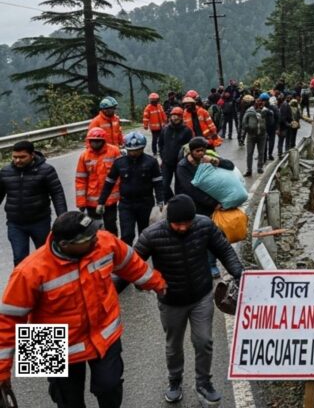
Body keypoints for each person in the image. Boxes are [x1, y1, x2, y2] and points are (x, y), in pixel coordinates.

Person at [0, 210, 166, 408]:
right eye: (89, 238)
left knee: (110, 388)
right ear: (65, 245)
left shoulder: (104, 242)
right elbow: (7, 320)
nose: (97, 239)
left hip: (103, 328)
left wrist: (159, 284)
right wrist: (2, 372)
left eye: (95, 233)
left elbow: (131, 264)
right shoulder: (27, 272)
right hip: (48, 339)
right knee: (67, 401)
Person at [133, 195, 243, 405]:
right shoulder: (152, 235)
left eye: (187, 223)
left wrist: (239, 274)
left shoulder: (204, 226)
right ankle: (175, 380)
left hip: (200, 296)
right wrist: (146, 282)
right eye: (177, 224)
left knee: (204, 341)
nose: (183, 228)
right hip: (171, 301)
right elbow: (132, 265)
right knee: (173, 345)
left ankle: (203, 382)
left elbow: (224, 249)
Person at [174, 137, 236, 278]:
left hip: (210, 207)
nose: (201, 153)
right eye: (198, 151)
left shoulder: (208, 158)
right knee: (193, 237)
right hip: (193, 206)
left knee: (211, 235)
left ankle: (211, 264)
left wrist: (215, 161)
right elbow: (191, 190)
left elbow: (230, 166)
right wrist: (213, 203)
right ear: (191, 151)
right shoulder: (183, 166)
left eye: (203, 150)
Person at [0, 141, 67, 265]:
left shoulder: (46, 170)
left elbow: (57, 194)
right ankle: (24, 284)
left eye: (22, 157)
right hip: (15, 224)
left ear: (32, 155)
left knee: (45, 257)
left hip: (40, 222)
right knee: (20, 259)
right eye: (15, 157)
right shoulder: (5, 172)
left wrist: (63, 218)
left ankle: (46, 283)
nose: (17, 160)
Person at [97, 132, 165, 246]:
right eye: (130, 150)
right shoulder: (119, 163)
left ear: (142, 148)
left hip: (145, 203)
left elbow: (158, 183)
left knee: (145, 234)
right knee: (127, 235)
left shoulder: (151, 162)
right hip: (126, 204)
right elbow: (109, 183)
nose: (133, 153)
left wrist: (160, 201)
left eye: (137, 150)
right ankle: (127, 258)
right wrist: (101, 202)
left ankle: (141, 259)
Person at [76, 128, 120, 235]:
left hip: (110, 199)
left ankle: (113, 245)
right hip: (92, 200)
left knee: (110, 225)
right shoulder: (84, 156)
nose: (95, 143)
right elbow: (80, 180)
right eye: (93, 141)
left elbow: (121, 174)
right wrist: (81, 202)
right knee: (94, 227)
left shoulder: (114, 151)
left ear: (103, 140)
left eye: (98, 141)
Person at [157, 107, 194, 198]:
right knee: (164, 186)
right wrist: (163, 157)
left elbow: (190, 147)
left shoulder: (187, 131)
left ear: (181, 117)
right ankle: (170, 201)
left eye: (177, 116)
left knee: (180, 188)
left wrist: (186, 160)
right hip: (166, 163)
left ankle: (178, 205)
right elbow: (160, 144)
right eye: (173, 116)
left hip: (180, 163)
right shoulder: (165, 129)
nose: (175, 118)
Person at [240, 96, 267, 177]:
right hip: (251, 135)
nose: (259, 104)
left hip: (262, 135)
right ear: (255, 103)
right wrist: (248, 128)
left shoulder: (265, 111)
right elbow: (244, 122)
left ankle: (260, 167)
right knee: (249, 153)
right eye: (258, 102)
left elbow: (270, 121)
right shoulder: (249, 111)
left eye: (261, 102)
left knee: (261, 152)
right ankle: (249, 170)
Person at [262, 93, 279, 163]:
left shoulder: (262, 108)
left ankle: (265, 156)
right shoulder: (274, 107)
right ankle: (270, 155)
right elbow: (278, 117)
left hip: (266, 126)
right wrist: (277, 128)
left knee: (265, 141)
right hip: (272, 126)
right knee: (271, 140)